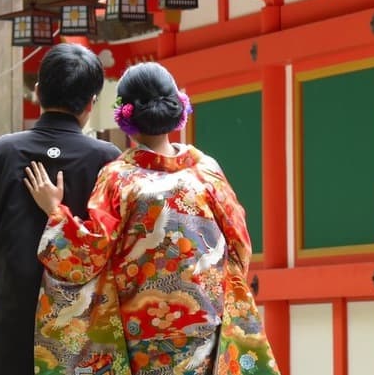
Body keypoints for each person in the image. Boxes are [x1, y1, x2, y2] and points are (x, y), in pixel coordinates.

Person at [24, 61, 277, 375]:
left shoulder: (119, 178)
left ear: (125, 114)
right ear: (178, 107)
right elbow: (239, 246)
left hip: (143, 332)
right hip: (205, 329)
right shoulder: (206, 171)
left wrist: (55, 212)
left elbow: (87, 255)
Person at [0, 43, 121, 375]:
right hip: (83, 315)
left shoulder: (0, 154)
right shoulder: (107, 159)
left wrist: (12, 277)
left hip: (15, 307)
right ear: (91, 103)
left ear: (37, 92)